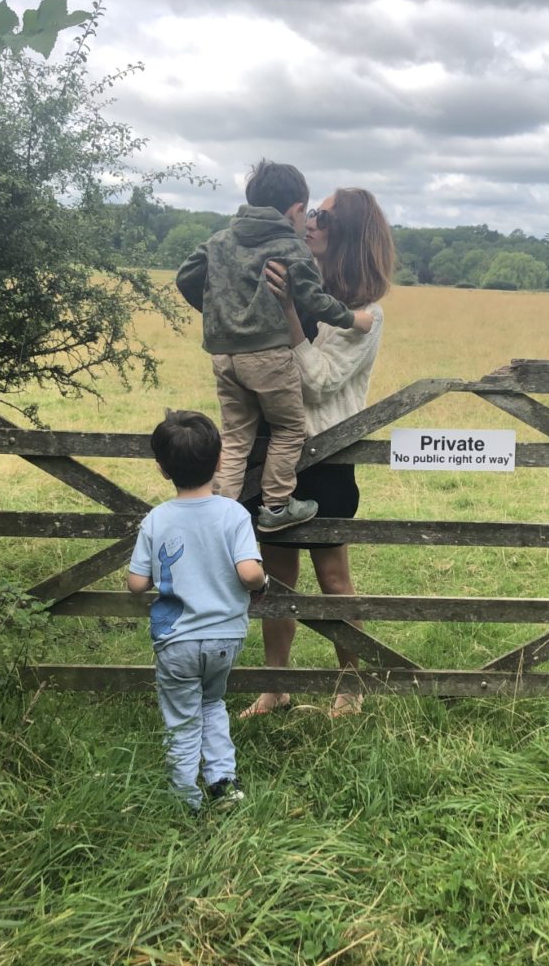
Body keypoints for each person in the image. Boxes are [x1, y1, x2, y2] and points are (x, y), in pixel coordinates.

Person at [239, 187, 393, 720]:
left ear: (346, 233)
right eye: (312, 212)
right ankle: (276, 685)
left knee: (333, 578)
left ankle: (349, 684)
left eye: (323, 216)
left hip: (325, 452)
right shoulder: (300, 283)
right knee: (275, 576)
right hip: (275, 445)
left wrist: (286, 311)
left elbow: (321, 382)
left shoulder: (363, 315)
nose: (311, 222)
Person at [176, 160, 373, 533]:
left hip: (223, 355)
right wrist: (354, 319)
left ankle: (219, 512)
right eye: (308, 213)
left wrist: (220, 314)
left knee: (235, 436)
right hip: (267, 357)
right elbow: (314, 300)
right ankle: (278, 506)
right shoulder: (288, 246)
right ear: (296, 210)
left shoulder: (220, 239)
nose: (308, 223)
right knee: (288, 429)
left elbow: (186, 277)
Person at [127, 410, 268, 811]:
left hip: (176, 641)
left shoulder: (157, 519)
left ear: (161, 469)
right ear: (221, 459)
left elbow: (137, 584)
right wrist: (261, 580)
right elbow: (248, 572)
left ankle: (185, 794)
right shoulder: (234, 514)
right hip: (225, 637)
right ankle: (223, 783)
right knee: (212, 703)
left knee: (182, 716)